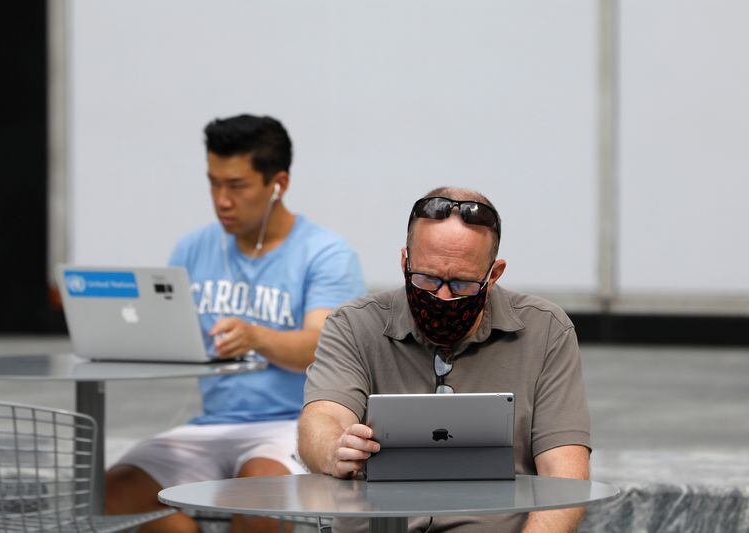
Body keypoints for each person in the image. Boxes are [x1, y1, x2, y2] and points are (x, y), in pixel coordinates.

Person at [106, 114, 365, 533]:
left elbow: (323, 348)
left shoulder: (325, 253)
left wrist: (257, 337)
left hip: (288, 425)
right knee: (112, 494)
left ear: (277, 184)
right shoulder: (193, 247)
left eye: (237, 186)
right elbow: (172, 335)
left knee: (260, 506)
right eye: (213, 183)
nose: (221, 200)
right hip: (211, 425)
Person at [299, 187, 591, 533]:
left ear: (494, 274)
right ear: (404, 261)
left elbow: (566, 479)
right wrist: (335, 449)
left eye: (463, 284)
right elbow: (320, 420)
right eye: (426, 279)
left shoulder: (545, 331)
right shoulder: (355, 324)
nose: (442, 296)